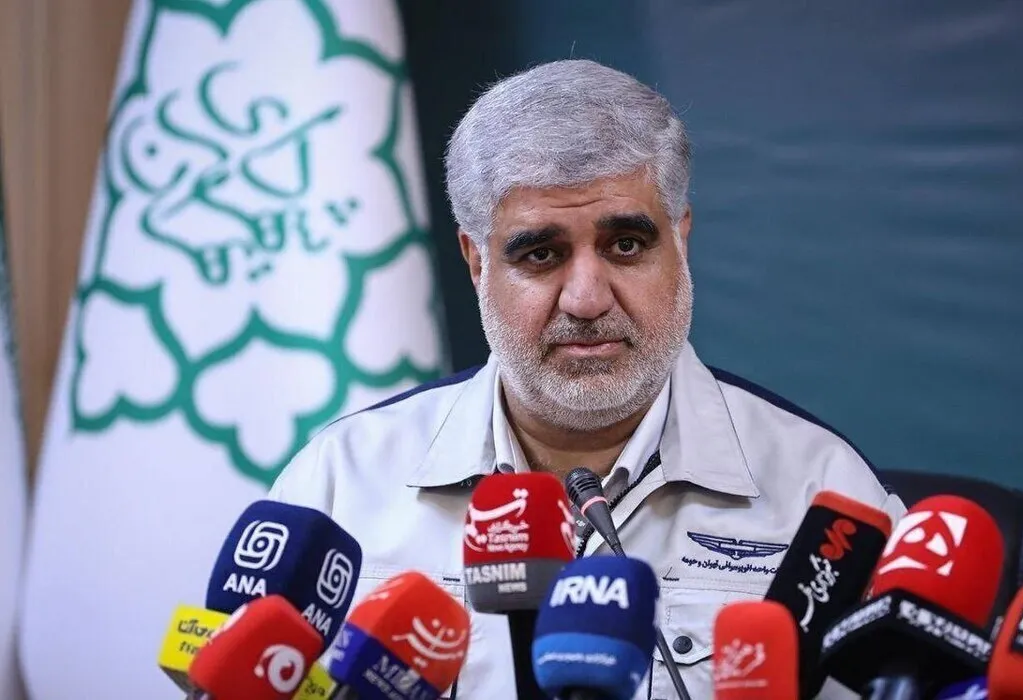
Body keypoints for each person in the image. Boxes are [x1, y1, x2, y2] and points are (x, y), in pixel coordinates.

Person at [268, 58, 905, 699]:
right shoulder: (341, 483)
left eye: (626, 245)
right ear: (476, 263)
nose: (587, 299)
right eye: (540, 254)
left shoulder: (825, 498)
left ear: (681, 240)